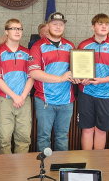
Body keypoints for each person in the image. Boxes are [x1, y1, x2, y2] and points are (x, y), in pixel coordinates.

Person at [77, 14, 109, 150]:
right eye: (100, 24)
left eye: (106, 24)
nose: (104, 26)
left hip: (107, 95)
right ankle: (87, 163)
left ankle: (98, 162)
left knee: (101, 130)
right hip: (86, 93)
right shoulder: (84, 45)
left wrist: (102, 80)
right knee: (87, 129)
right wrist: (82, 80)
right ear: (93, 27)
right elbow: (78, 72)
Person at [29, 12, 76, 151]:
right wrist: (61, 78)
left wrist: (78, 77)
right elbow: (34, 73)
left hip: (66, 100)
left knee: (62, 137)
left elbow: (74, 70)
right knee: (44, 137)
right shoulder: (37, 47)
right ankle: (44, 169)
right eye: (54, 24)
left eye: (61, 24)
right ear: (48, 25)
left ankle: (61, 170)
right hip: (45, 100)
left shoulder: (70, 45)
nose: (58, 27)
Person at [0, 19, 34, 154]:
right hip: (5, 100)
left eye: (19, 29)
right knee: (4, 139)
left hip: (24, 99)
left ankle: (21, 172)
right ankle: (7, 174)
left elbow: (32, 76)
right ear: (6, 31)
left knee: (24, 138)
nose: (17, 31)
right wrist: (15, 96)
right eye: (13, 29)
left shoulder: (28, 53)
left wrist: (21, 96)